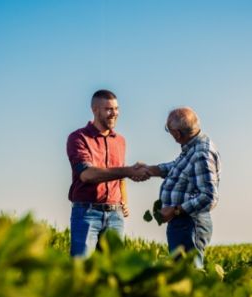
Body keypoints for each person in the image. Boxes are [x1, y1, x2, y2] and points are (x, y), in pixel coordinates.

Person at [66, 89, 149, 257]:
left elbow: (119, 175)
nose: (114, 113)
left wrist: (123, 200)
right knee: (82, 269)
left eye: (116, 109)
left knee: (112, 272)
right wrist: (129, 170)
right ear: (95, 110)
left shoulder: (120, 141)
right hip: (86, 213)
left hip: (115, 216)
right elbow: (87, 175)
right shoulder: (78, 138)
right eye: (109, 109)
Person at [143, 107, 221, 268]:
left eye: (169, 130)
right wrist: (150, 170)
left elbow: (209, 196)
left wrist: (175, 210)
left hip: (189, 223)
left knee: (188, 274)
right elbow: (177, 168)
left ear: (177, 134)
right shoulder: (193, 147)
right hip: (185, 223)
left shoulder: (201, 153)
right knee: (181, 272)